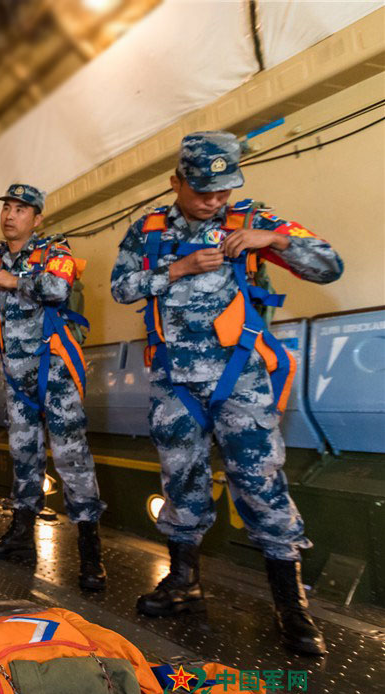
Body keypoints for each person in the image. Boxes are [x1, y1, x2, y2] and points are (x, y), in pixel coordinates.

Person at [110, 131, 343, 656]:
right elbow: (122, 287)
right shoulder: (147, 231)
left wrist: (276, 242)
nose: (214, 201)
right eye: (201, 191)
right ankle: (184, 584)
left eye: (223, 189)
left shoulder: (254, 220)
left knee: (261, 484)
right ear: (176, 182)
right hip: (174, 381)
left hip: (240, 379)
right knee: (181, 482)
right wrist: (177, 268)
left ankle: (292, 607)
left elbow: (329, 264)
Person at [0, 183, 108, 591]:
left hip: (54, 372)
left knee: (72, 458)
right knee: (23, 455)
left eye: (20, 209)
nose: (10, 215)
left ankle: (90, 554)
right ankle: (21, 537)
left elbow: (58, 289)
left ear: (37, 218)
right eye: (7, 207)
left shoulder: (53, 252)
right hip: (16, 378)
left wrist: (10, 282)